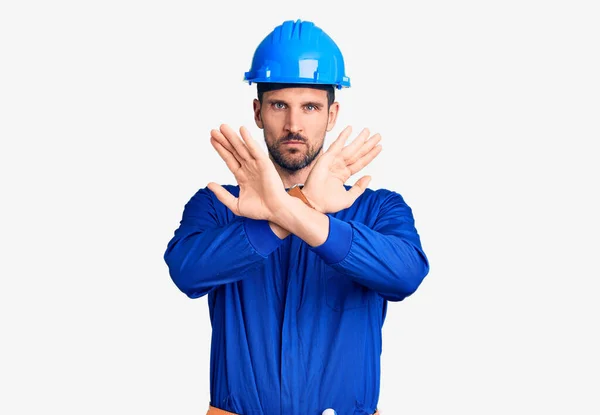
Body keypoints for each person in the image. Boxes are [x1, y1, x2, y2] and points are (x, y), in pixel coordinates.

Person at [164, 19, 430, 415]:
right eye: (278, 105)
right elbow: (186, 273)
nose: (294, 124)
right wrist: (297, 208)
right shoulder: (219, 205)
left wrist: (293, 211)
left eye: (309, 107)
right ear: (257, 112)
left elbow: (406, 275)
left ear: (332, 113)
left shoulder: (379, 209)